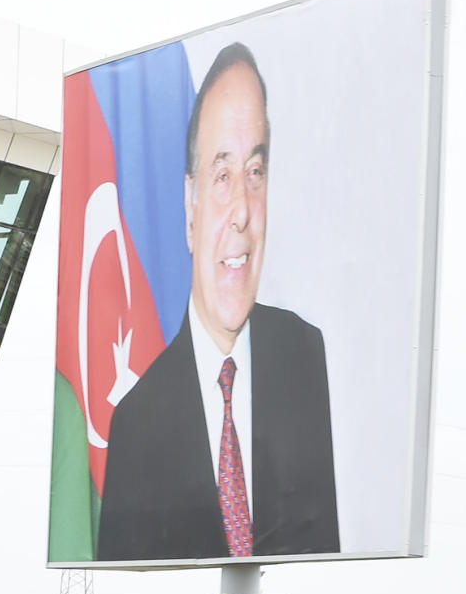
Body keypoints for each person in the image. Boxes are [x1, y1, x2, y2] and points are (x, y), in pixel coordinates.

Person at [97, 42, 340, 562]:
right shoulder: (136, 424)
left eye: (256, 173)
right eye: (223, 176)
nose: (242, 214)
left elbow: (321, 551)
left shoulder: (303, 356)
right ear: (191, 206)